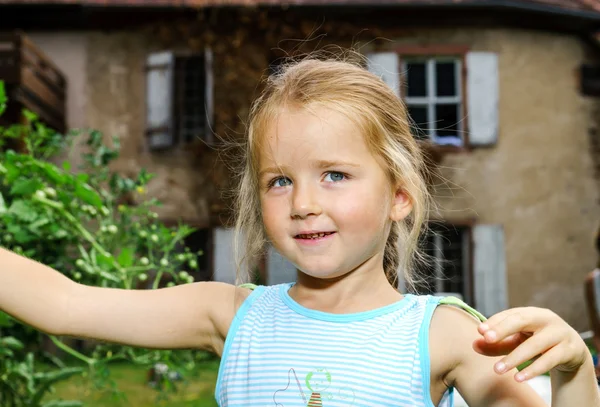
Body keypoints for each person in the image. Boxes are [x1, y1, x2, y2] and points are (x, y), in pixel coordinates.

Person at [1, 53, 599, 407]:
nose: (303, 203)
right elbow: (65, 304)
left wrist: (575, 373)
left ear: (399, 196)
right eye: (278, 181)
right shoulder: (229, 315)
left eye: (335, 174)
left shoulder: (445, 335)